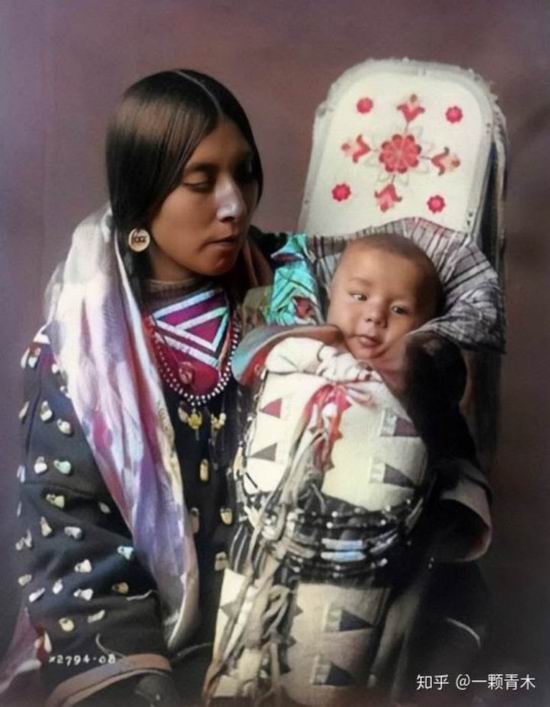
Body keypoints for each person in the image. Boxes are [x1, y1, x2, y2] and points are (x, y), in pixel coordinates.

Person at [4, 69, 279, 707]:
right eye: (201, 183)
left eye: (244, 173)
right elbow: (71, 534)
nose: (234, 205)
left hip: (284, 634)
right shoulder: (78, 355)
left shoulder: (298, 289)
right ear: (143, 194)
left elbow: (438, 280)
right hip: (149, 650)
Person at [204, 233, 492, 706]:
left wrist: (445, 525)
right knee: (237, 663)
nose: (375, 315)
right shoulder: (289, 356)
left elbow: (454, 460)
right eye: (359, 296)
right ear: (329, 295)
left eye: (399, 309)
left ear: (427, 324)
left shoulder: (424, 395)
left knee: (331, 674)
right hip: (262, 547)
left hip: (363, 569)